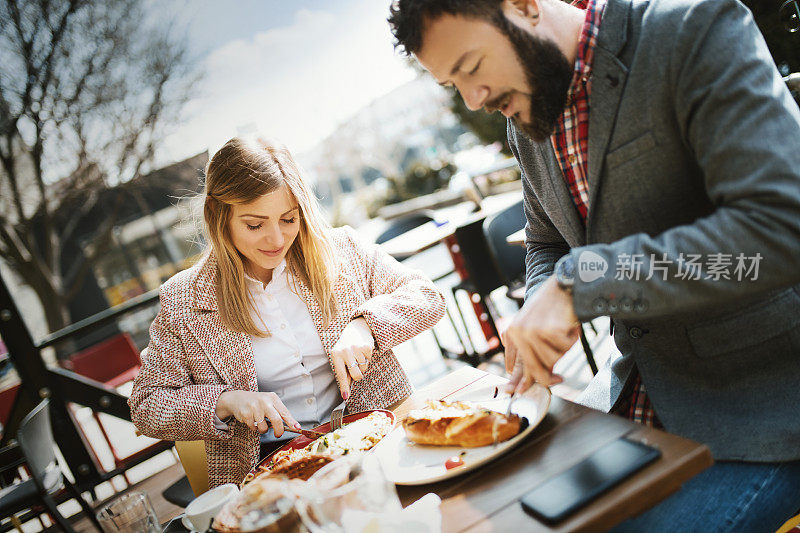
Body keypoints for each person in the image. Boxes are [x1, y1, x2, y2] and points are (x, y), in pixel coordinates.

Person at [389, 0, 800, 529]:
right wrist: (542, 298)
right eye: (453, 85)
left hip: (767, 406)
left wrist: (583, 284)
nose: (474, 100)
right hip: (642, 390)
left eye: (471, 67)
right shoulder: (527, 122)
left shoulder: (692, 29)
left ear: (524, 6)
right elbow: (544, 243)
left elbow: (778, 232)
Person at [129, 137, 445, 487]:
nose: (276, 238)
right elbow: (147, 405)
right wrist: (226, 401)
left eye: (288, 219)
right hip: (275, 476)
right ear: (219, 218)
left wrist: (365, 326)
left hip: (381, 442)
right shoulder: (184, 298)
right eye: (255, 224)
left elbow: (427, 296)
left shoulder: (342, 249)